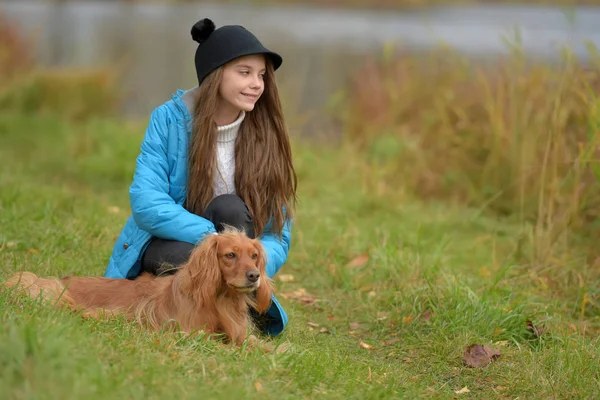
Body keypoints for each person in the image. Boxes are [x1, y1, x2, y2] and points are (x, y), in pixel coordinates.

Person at [102, 18, 298, 336]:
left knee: (231, 208)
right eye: (245, 72)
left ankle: (229, 307)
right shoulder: (168, 120)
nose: (257, 84)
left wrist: (255, 261)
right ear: (215, 74)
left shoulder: (266, 134)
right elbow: (147, 203)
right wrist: (213, 242)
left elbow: (278, 233)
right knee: (184, 257)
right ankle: (216, 313)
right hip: (171, 244)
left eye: (261, 75)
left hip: (234, 258)